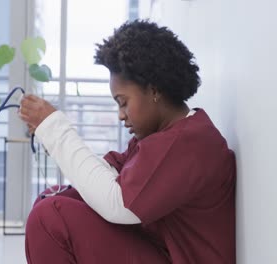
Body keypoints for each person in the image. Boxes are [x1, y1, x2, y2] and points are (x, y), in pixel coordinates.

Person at [19, 20, 236, 264]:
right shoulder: (162, 135)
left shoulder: (189, 143)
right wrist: (50, 131)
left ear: (154, 90)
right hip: (160, 247)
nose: (121, 115)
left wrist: (55, 129)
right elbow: (111, 173)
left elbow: (119, 204)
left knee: (50, 218)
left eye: (123, 102)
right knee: (51, 199)